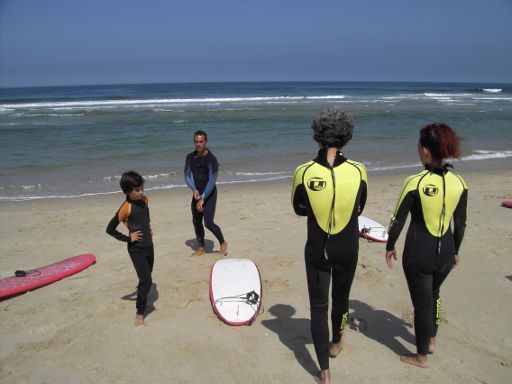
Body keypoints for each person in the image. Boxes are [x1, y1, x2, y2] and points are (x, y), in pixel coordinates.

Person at [291, 109, 367, 384]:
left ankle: (323, 369)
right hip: (348, 248)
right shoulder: (359, 171)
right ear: (346, 136)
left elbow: (299, 209)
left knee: (319, 307)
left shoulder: (303, 172)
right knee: (342, 300)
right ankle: (336, 342)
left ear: (317, 136)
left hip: (317, 249)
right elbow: (360, 206)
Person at [385, 123, 468, 368]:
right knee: (434, 294)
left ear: (425, 151)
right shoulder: (460, 182)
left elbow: (397, 219)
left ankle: (421, 356)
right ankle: (431, 340)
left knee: (422, 303)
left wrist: (389, 246)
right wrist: (456, 251)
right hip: (447, 252)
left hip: (418, 253)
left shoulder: (415, 181)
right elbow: (460, 223)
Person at [106, 171, 154, 326]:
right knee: (146, 280)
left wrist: (148, 228)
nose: (142, 192)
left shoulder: (144, 200)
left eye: (142, 188)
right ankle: (140, 313)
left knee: (145, 279)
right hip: (136, 249)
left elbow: (146, 217)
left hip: (149, 245)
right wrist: (128, 238)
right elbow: (110, 229)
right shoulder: (125, 208)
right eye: (137, 190)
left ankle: (144, 302)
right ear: (127, 191)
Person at [184, 130, 228, 256]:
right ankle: (201, 247)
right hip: (197, 194)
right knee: (196, 221)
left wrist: (202, 198)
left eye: (201, 142)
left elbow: (212, 181)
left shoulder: (211, 159)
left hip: (209, 194)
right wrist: (194, 189)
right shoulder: (190, 157)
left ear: (206, 142)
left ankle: (223, 242)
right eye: (196, 142)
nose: (198, 144)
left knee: (208, 222)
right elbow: (187, 175)